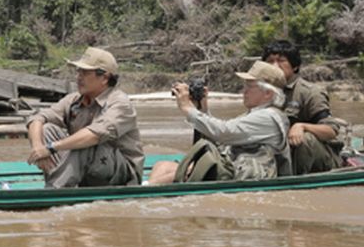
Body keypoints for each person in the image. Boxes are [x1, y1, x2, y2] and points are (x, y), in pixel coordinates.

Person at [148, 60, 290, 184]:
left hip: (244, 175)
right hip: (233, 168)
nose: (244, 91)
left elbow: (223, 132)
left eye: (250, 86)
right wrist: (203, 109)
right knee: (162, 166)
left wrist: (187, 108)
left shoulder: (267, 117)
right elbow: (223, 138)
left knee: (173, 175)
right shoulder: (256, 113)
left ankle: (146, 191)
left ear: (268, 93)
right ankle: (150, 193)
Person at [25, 47, 144, 188]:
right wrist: (38, 147)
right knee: (46, 129)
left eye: (85, 72)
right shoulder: (74, 100)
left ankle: (55, 189)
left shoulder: (120, 104)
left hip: (121, 174)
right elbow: (37, 118)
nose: (79, 77)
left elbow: (94, 135)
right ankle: (58, 183)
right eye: (78, 71)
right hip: (88, 168)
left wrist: (51, 148)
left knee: (85, 142)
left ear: (104, 78)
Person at [262, 40, 347, 174]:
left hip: (321, 157)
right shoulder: (262, 91)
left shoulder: (309, 92)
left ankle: (292, 181)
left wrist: (302, 126)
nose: (274, 66)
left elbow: (331, 130)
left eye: (281, 61)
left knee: (306, 139)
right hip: (282, 153)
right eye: (270, 61)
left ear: (295, 66)